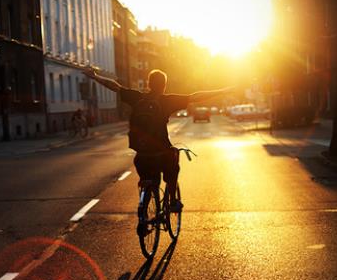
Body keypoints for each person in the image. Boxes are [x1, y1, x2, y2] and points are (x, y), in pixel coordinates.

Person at [83, 68, 231, 214]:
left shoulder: (136, 97)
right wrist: (221, 91)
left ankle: (145, 203)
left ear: (149, 83)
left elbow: (115, 87)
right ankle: (172, 201)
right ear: (164, 85)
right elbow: (195, 96)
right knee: (173, 167)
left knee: (147, 176)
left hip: (142, 155)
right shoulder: (167, 101)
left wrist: (95, 76)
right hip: (162, 154)